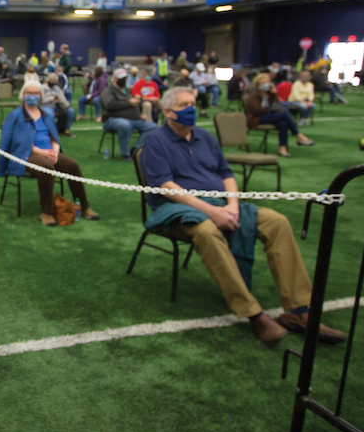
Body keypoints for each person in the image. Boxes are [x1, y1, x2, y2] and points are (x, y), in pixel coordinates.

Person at [141, 87, 346, 348]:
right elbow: (167, 188)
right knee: (206, 231)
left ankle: (298, 309)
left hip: (224, 203)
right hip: (178, 209)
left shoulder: (205, 137)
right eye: (184, 105)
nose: (191, 108)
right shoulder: (156, 142)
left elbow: (227, 174)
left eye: (193, 103)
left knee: (277, 221)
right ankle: (252, 313)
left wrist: (232, 206)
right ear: (168, 111)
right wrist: (213, 212)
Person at [0, 79, 99, 226]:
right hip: (26, 154)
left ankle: (84, 207)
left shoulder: (47, 115)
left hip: (50, 152)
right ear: (23, 95)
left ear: (40, 95)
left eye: (35, 93)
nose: (32, 96)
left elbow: (54, 138)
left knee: (72, 166)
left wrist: (55, 151)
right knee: (47, 169)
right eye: (29, 93)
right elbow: (16, 141)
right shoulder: (15, 116)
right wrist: (42, 152)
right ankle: (46, 212)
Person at [244, 73, 315, 158]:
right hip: (257, 119)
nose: (266, 85)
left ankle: (283, 149)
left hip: (270, 116)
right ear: (258, 84)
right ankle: (298, 135)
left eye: (267, 82)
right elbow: (256, 111)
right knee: (283, 115)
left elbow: (278, 105)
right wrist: (270, 109)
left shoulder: (270, 94)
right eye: (263, 83)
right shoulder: (253, 96)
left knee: (282, 124)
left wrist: (274, 93)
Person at [101, 67, 158, 157]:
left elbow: (136, 103)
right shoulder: (108, 91)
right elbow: (109, 105)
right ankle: (125, 154)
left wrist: (140, 114)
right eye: (122, 79)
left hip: (134, 119)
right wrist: (129, 103)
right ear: (115, 79)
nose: (124, 81)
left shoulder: (127, 91)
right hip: (112, 119)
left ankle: (135, 149)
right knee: (125, 125)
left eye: (125, 79)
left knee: (153, 127)